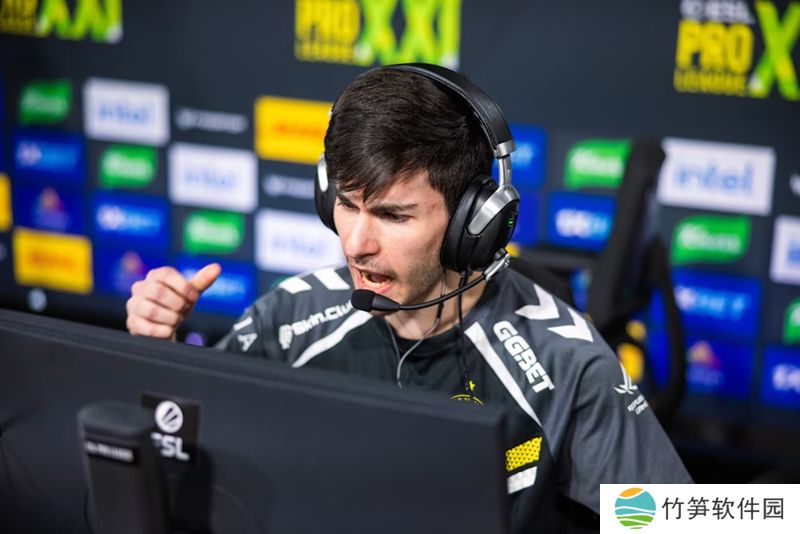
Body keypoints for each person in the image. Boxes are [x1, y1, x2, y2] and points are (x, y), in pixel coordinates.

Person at [126, 64, 692, 532]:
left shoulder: (566, 366)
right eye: (346, 205)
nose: (356, 244)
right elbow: (190, 459)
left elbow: (674, 518)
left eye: (393, 216)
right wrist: (159, 353)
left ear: (474, 223)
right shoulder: (289, 317)